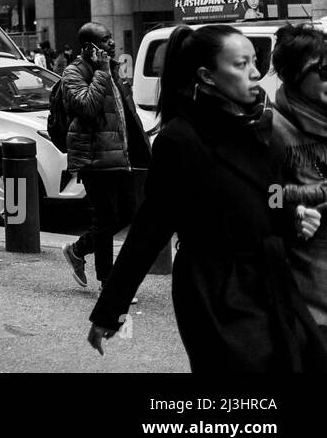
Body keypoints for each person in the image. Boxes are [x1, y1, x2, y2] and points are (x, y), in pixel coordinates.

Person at [87, 25, 327, 371]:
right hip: (216, 290)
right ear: (207, 76)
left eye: (255, 62)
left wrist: (292, 217)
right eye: (241, 65)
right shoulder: (181, 140)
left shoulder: (263, 128)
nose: (255, 73)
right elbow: (150, 228)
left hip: (272, 283)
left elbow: (270, 197)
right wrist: (111, 310)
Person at [61, 22, 151, 293]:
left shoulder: (112, 69)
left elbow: (126, 113)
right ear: (89, 46)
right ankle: (107, 282)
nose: (111, 43)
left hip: (119, 155)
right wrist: (100, 71)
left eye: (111, 37)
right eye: (105, 39)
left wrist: (142, 144)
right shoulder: (73, 72)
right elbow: (86, 106)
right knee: (105, 218)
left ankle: (78, 249)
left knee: (127, 212)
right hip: (93, 157)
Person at [268, 24, 327, 345]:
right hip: (307, 308)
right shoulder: (272, 128)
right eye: (324, 70)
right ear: (294, 75)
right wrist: (298, 207)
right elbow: (265, 197)